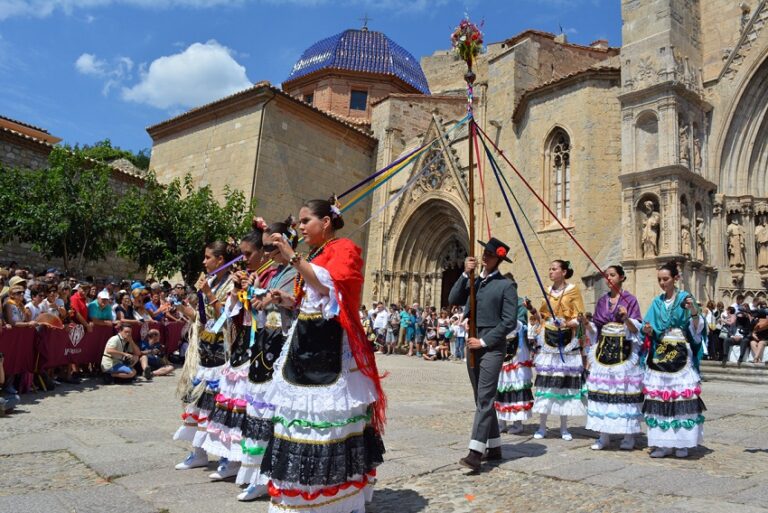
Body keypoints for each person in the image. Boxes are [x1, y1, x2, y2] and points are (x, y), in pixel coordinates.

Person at [261, 197, 385, 512]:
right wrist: (288, 299)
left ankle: (334, 502)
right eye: (300, 223)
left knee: (330, 422)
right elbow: (312, 297)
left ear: (325, 222)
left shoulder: (344, 249)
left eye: (306, 221)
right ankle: (301, 497)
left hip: (331, 348)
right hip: (304, 344)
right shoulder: (314, 254)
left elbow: (334, 289)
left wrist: (292, 258)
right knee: (298, 419)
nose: (300, 227)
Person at [449, 237, 518, 472]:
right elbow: (453, 299)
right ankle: (495, 446)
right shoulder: (474, 282)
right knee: (481, 399)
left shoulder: (506, 286)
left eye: (489, 255)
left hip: (491, 347)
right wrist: (464, 275)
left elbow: (509, 322)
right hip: (472, 345)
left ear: (498, 259)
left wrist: (485, 341)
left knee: (486, 398)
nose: (484, 257)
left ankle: (475, 453)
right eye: (484, 254)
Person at [174, 240, 238, 471]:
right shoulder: (210, 280)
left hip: (223, 352)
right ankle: (198, 452)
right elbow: (203, 318)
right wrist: (185, 309)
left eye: (208, 257)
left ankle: (227, 458)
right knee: (195, 402)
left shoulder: (233, 284)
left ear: (221, 260)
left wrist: (209, 293)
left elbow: (226, 317)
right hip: (203, 350)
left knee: (219, 406)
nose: (204, 261)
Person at [642, 261, 705, 458]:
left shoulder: (685, 298)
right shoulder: (657, 302)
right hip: (661, 351)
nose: (662, 283)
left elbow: (696, 325)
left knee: (679, 395)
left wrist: (693, 310)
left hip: (680, 350)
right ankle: (663, 443)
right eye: (659, 279)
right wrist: (648, 329)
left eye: (666, 279)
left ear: (675, 278)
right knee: (661, 396)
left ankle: (682, 443)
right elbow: (648, 323)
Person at [585, 265, 644, 451]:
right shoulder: (602, 301)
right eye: (607, 275)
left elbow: (637, 329)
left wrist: (626, 318)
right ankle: (604, 435)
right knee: (604, 391)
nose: (609, 278)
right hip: (604, 351)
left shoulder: (630, 300)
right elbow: (596, 329)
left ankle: (628, 435)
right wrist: (586, 324)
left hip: (623, 351)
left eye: (612, 275)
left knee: (623, 392)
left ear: (621, 277)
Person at [528, 259, 587, 441]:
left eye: (554, 269)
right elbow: (541, 317)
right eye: (550, 269)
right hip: (549, 339)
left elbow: (580, 316)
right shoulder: (547, 291)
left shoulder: (573, 290)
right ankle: (542, 426)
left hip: (566, 340)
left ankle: (563, 427)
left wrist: (568, 322)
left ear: (563, 272)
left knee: (564, 385)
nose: (550, 272)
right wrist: (532, 310)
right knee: (546, 383)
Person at [495, 317, 534, 435]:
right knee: (501, 387)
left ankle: (517, 423)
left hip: (516, 360)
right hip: (502, 360)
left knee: (516, 387)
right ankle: (501, 422)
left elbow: (515, 326)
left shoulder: (518, 324)